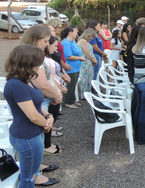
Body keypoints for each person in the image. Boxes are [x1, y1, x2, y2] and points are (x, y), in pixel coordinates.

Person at [4, 44, 59, 187]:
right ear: (28, 62)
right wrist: (46, 123)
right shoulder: (17, 85)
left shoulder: (26, 80)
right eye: (37, 61)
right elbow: (33, 115)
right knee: (29, 177)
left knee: (31, 173)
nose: (39, 65)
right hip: (27, 137)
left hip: (32, 134)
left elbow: (36, 105)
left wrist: (49, 117)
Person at [20, 25, 63, 156]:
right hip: (39, 98)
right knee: (38, 132)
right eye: (44, 41)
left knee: (41, 130)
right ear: (35, 39)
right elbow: (42, 83)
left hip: (41, 98)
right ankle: (37, 166)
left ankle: (38, 163)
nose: (46, 44)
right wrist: (56, 94)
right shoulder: (31, 57)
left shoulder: (33, 54)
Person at [61, 27, 86, 108]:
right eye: (75, 32)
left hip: (76, 67)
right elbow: (68, 56)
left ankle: (72, 100)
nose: (77, 34)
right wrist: (80, 58)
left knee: (73, 84)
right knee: (70, 85)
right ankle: (67, 102)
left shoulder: (72, 41)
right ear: (70, 33)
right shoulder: (66, 43)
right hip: (71, 68)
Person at [77, 28, 98, 99]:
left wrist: (94, 60)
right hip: (85, 62)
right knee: (85, 79)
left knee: (89, 78)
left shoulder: (87, 41)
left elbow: (91, 52)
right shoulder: (83, 41)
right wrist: (92, 60)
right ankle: (84, 94)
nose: (91, 38)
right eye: (91, 36)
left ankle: (88, 93)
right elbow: (86, 52)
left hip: (88, 62)